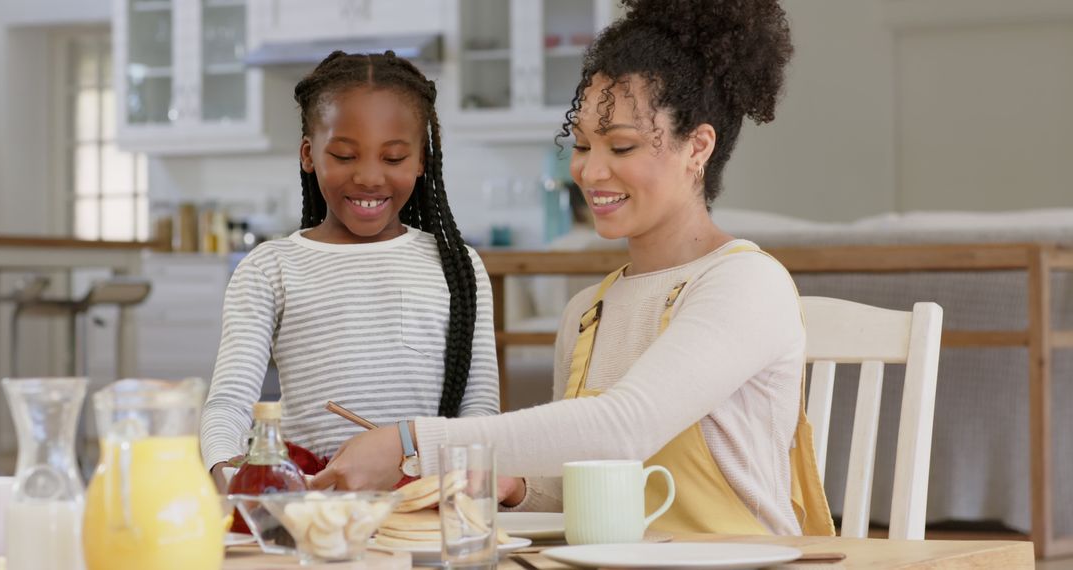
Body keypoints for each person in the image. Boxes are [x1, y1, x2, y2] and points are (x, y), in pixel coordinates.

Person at [308, 0, 834, 536]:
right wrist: (513, 487)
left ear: (696, 147)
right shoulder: (589, 311)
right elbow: (577, 484)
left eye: (621, 145)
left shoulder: (745, 283)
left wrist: (412, 441)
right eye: (582, 143)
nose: (590, 169)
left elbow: (625, 427)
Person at [200, 51, 500, 488]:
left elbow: (481, 413)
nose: (369, 177)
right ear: (309, 154)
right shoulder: (271, 268)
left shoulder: (459, 268)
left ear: (421, 160)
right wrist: (228, 471)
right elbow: (228, 403)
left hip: (422, 505)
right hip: (314, 509)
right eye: (343, 155)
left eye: (394, 158)